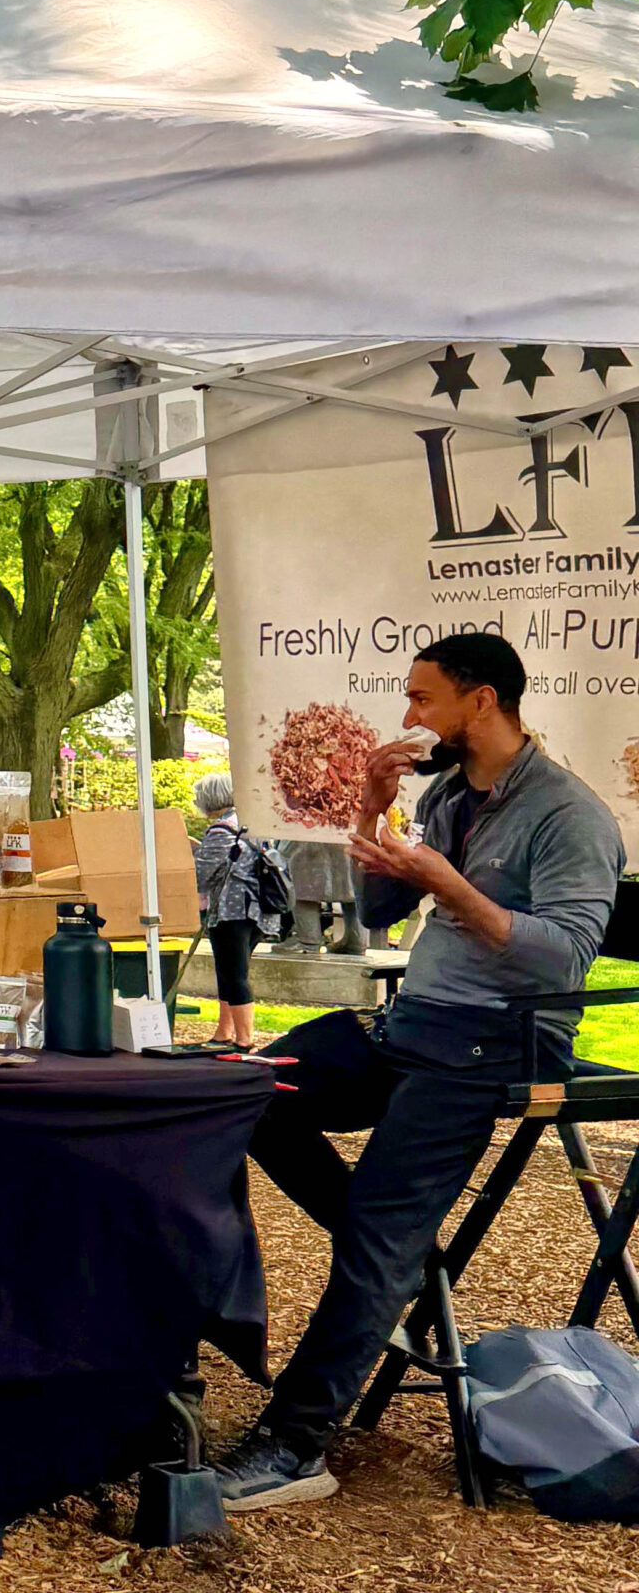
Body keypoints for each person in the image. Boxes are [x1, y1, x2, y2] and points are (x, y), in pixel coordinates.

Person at [214, 632, 623, 1511]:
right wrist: (370, 816)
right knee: (249, 1086)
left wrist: (454, 884)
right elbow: (382, 907)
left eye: (422, 698)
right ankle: (392, 1254)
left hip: (497, 1039)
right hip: (413, 1024)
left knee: (376, 1237)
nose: (407, 716)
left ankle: (295, 1447)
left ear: (483, 702)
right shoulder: (447, 793)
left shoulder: (570, 815)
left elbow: (563, 961)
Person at [192, 772, 279, 1048]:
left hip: (231, 909)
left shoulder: (221, 831)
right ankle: (224, 1031)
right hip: (258, 910)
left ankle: (243, 1038)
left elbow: (203, 874)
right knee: (231, 970)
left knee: (233, 973)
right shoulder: (251, 824)